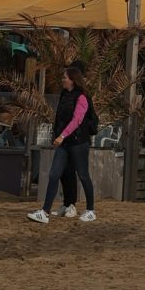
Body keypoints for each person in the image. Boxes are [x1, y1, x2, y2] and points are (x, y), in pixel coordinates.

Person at [28, 64, 97, 224]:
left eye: (65, 77)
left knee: (83, 175)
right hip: (65, 143)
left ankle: (91, 210)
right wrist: (58, 135)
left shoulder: (82, 97)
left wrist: (62, 135)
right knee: (54, 174)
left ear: (72, 80)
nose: (62, 80)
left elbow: (77, 120)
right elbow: (60, 117)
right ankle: (44, 212)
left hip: (79, 142)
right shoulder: (64, 95)